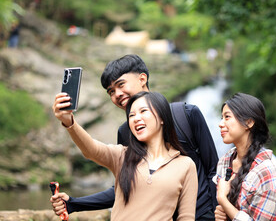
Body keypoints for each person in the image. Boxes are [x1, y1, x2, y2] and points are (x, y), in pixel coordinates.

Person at [50, 54, 219, 220]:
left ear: (142, 79)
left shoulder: (186, 115)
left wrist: (216, 214)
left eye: (121, 84)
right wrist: (74, 203)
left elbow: (214, 170)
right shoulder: (125, 134)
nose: (117, 94)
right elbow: (128, 185)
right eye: (111, 91)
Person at [53, 91, 198, 220]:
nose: (136, 118)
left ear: (162, 118)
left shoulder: (185, 165)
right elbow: (91, 149)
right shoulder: (122, 155)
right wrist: (68, 120)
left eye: (143, 111)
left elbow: (186, 217)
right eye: (131, 115)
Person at [213, 93, 276, 221]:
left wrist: (223, 201)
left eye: (227, 117)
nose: (221, 124)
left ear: (249, 122)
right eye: (222, 117)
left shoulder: (267, 171)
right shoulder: (225, 161)